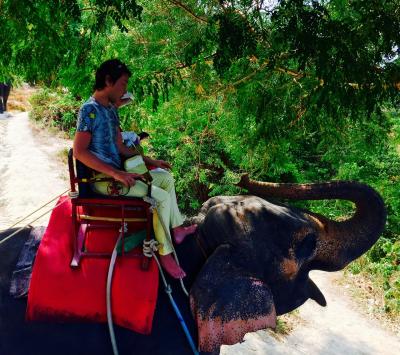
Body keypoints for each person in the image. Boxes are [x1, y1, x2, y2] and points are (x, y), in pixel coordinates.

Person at [73, 59, 197, 279]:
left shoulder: (110, 110)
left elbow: (120, 146)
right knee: (158, 196)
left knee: (165, 178)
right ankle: (165, 252)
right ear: (108, 81)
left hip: (119, 175)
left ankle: (177, 229)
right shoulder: (89, 110)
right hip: (105, 181)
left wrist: (150, 161)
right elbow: (80, 151)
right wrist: (116, 173)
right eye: (122, 84)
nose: (125, 90)